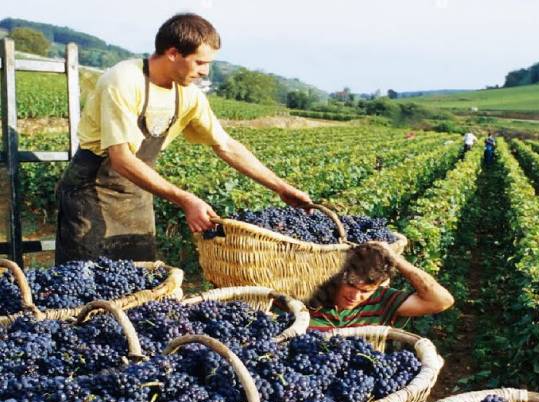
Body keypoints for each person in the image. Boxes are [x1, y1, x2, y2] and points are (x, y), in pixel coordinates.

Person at [55, 13, 311, 264]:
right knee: (88, 283)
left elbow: (226, 146)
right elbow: (121, 158)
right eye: (200, 62)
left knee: (138, 281)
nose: (205, 72)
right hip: (90, 191)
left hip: (136, 196)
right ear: (174, 53)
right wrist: (185, 199)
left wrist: (281, 187)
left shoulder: (188, 95)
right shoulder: (123, 80)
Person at [307, 242, 454, 330]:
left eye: (365, 291)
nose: (355, 296)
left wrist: (395, 259)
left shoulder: (382, 301)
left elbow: (441, 301)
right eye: (351, 286)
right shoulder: (309, 300)